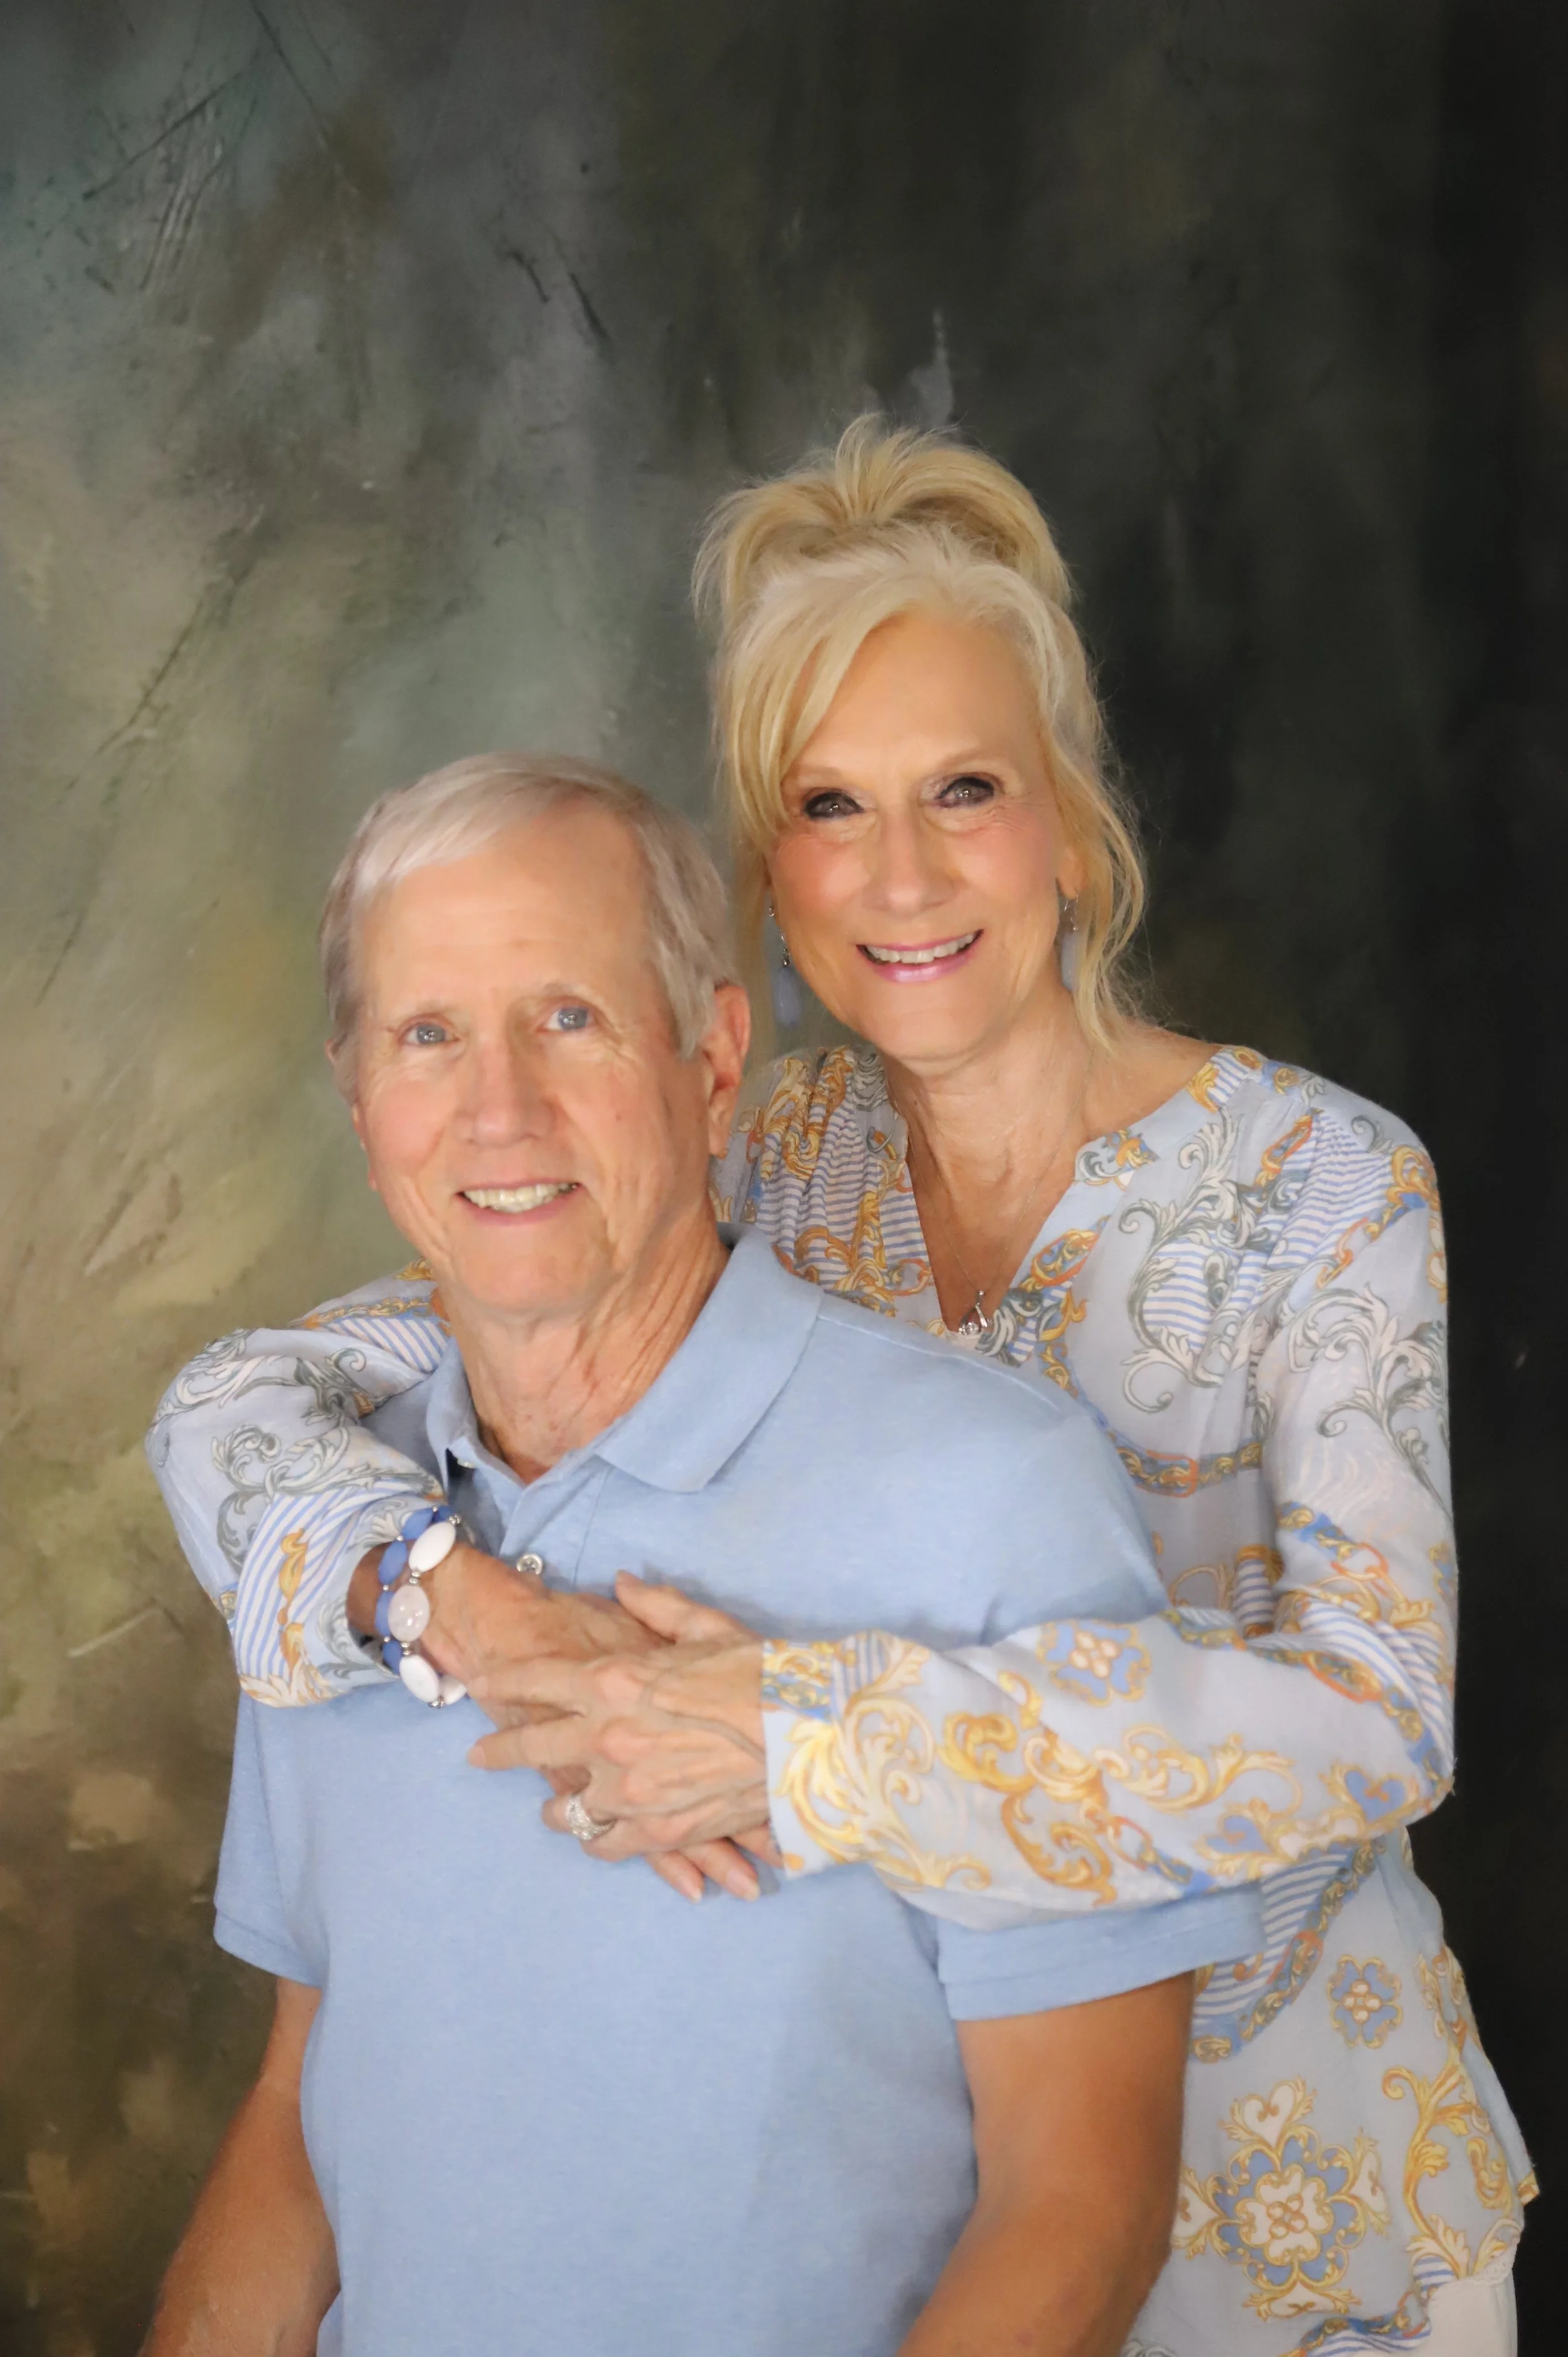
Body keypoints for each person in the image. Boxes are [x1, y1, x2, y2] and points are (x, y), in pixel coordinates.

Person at [147, 427, 1530, 2357]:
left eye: (962, 789)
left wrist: (806, 1738)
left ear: (1065, 812)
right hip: (929, 2170)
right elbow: (267, 1390)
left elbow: (1382, 1724)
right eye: (825, 805)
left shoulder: (1319, 1182)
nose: (898, 871)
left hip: (1279, 2154)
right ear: (762, 870)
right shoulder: (757, 1153)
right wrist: (425, 1588)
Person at [145, 753, 1253, 2357]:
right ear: (358, 1095)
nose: (499, 1109)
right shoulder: (340, 1541)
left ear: (713, 1059)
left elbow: (1077, 2203)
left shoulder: (995, 1498)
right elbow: (296, 2120)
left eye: (570, 1019)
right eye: (429, 1035)